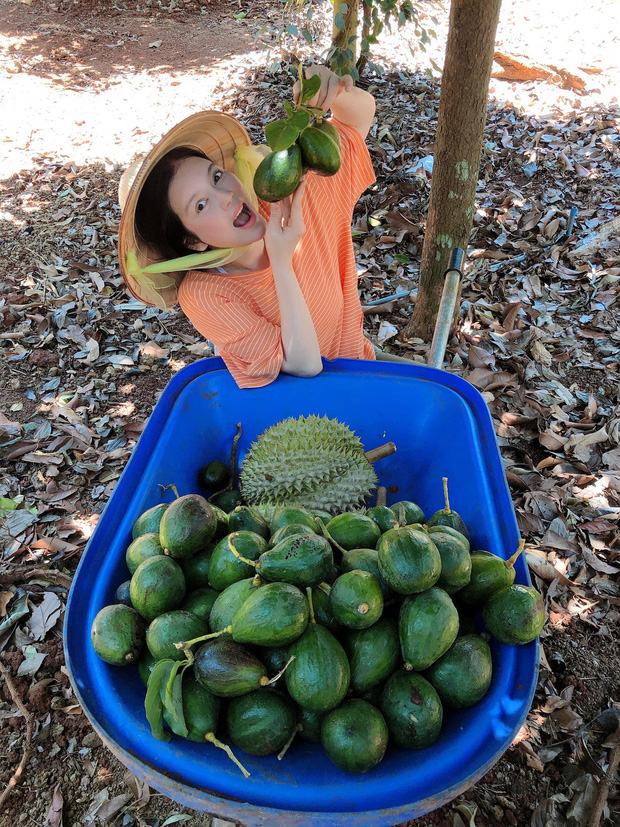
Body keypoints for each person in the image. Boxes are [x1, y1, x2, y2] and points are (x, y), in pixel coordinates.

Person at [118, 64, 378, 389]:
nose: (226, 194)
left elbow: (357, 121)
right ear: (192, 241)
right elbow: (305, 365)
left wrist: (334, 93)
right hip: (296, 419)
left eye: (216, 176)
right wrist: (282, 263)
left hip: (365, 378)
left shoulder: (291, 197)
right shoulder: (206, 294)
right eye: (201, 204)